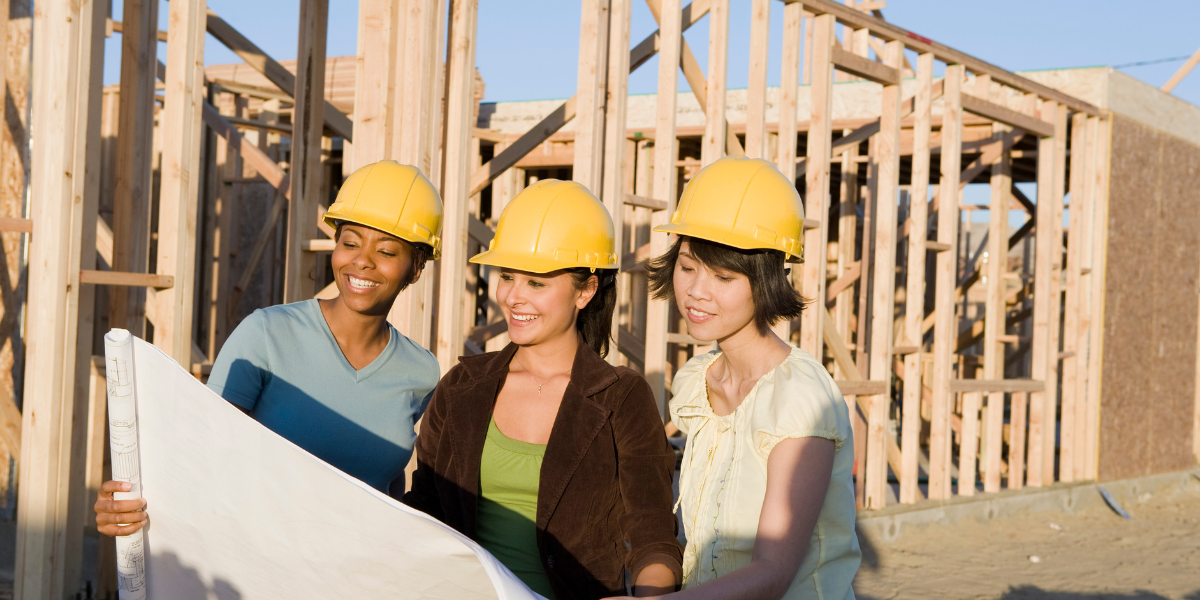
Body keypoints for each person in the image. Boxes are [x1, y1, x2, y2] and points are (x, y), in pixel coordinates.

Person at [94, 160, 444, 535]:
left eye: (387, 252)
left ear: (416, 268)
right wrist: (128, 504)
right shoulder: (267, 334)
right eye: (350, 242)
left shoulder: (420, 371)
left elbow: (386, 492)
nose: (362, 260)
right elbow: (198, 451)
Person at [403, 180, 682, 599]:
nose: (513, 297)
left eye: (536, 283)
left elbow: (652, 535)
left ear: (586, 290)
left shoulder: (621, 397)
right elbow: (425, 512)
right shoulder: (462, 386)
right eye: (507, 276)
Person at [611, 156, 860, 600]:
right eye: (687, 267)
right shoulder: (696, 382)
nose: (696, 292)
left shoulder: (799, 397)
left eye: (723, 276)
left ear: (765, 281)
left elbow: (773, 572)